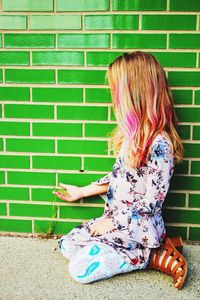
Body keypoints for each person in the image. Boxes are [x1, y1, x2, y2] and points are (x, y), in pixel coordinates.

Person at [53, 51, 187, 289]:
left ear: (134, 92)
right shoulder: (132, 137)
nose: (113, 97)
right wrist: (82, 191)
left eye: (116, 90)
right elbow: (119, 178)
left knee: (78, 270)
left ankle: (144, 256)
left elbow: (152, 203)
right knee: (67, 245)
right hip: (116, 222)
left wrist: (111, 224)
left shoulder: (160, 145)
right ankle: (119, 247)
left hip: (136, 229)